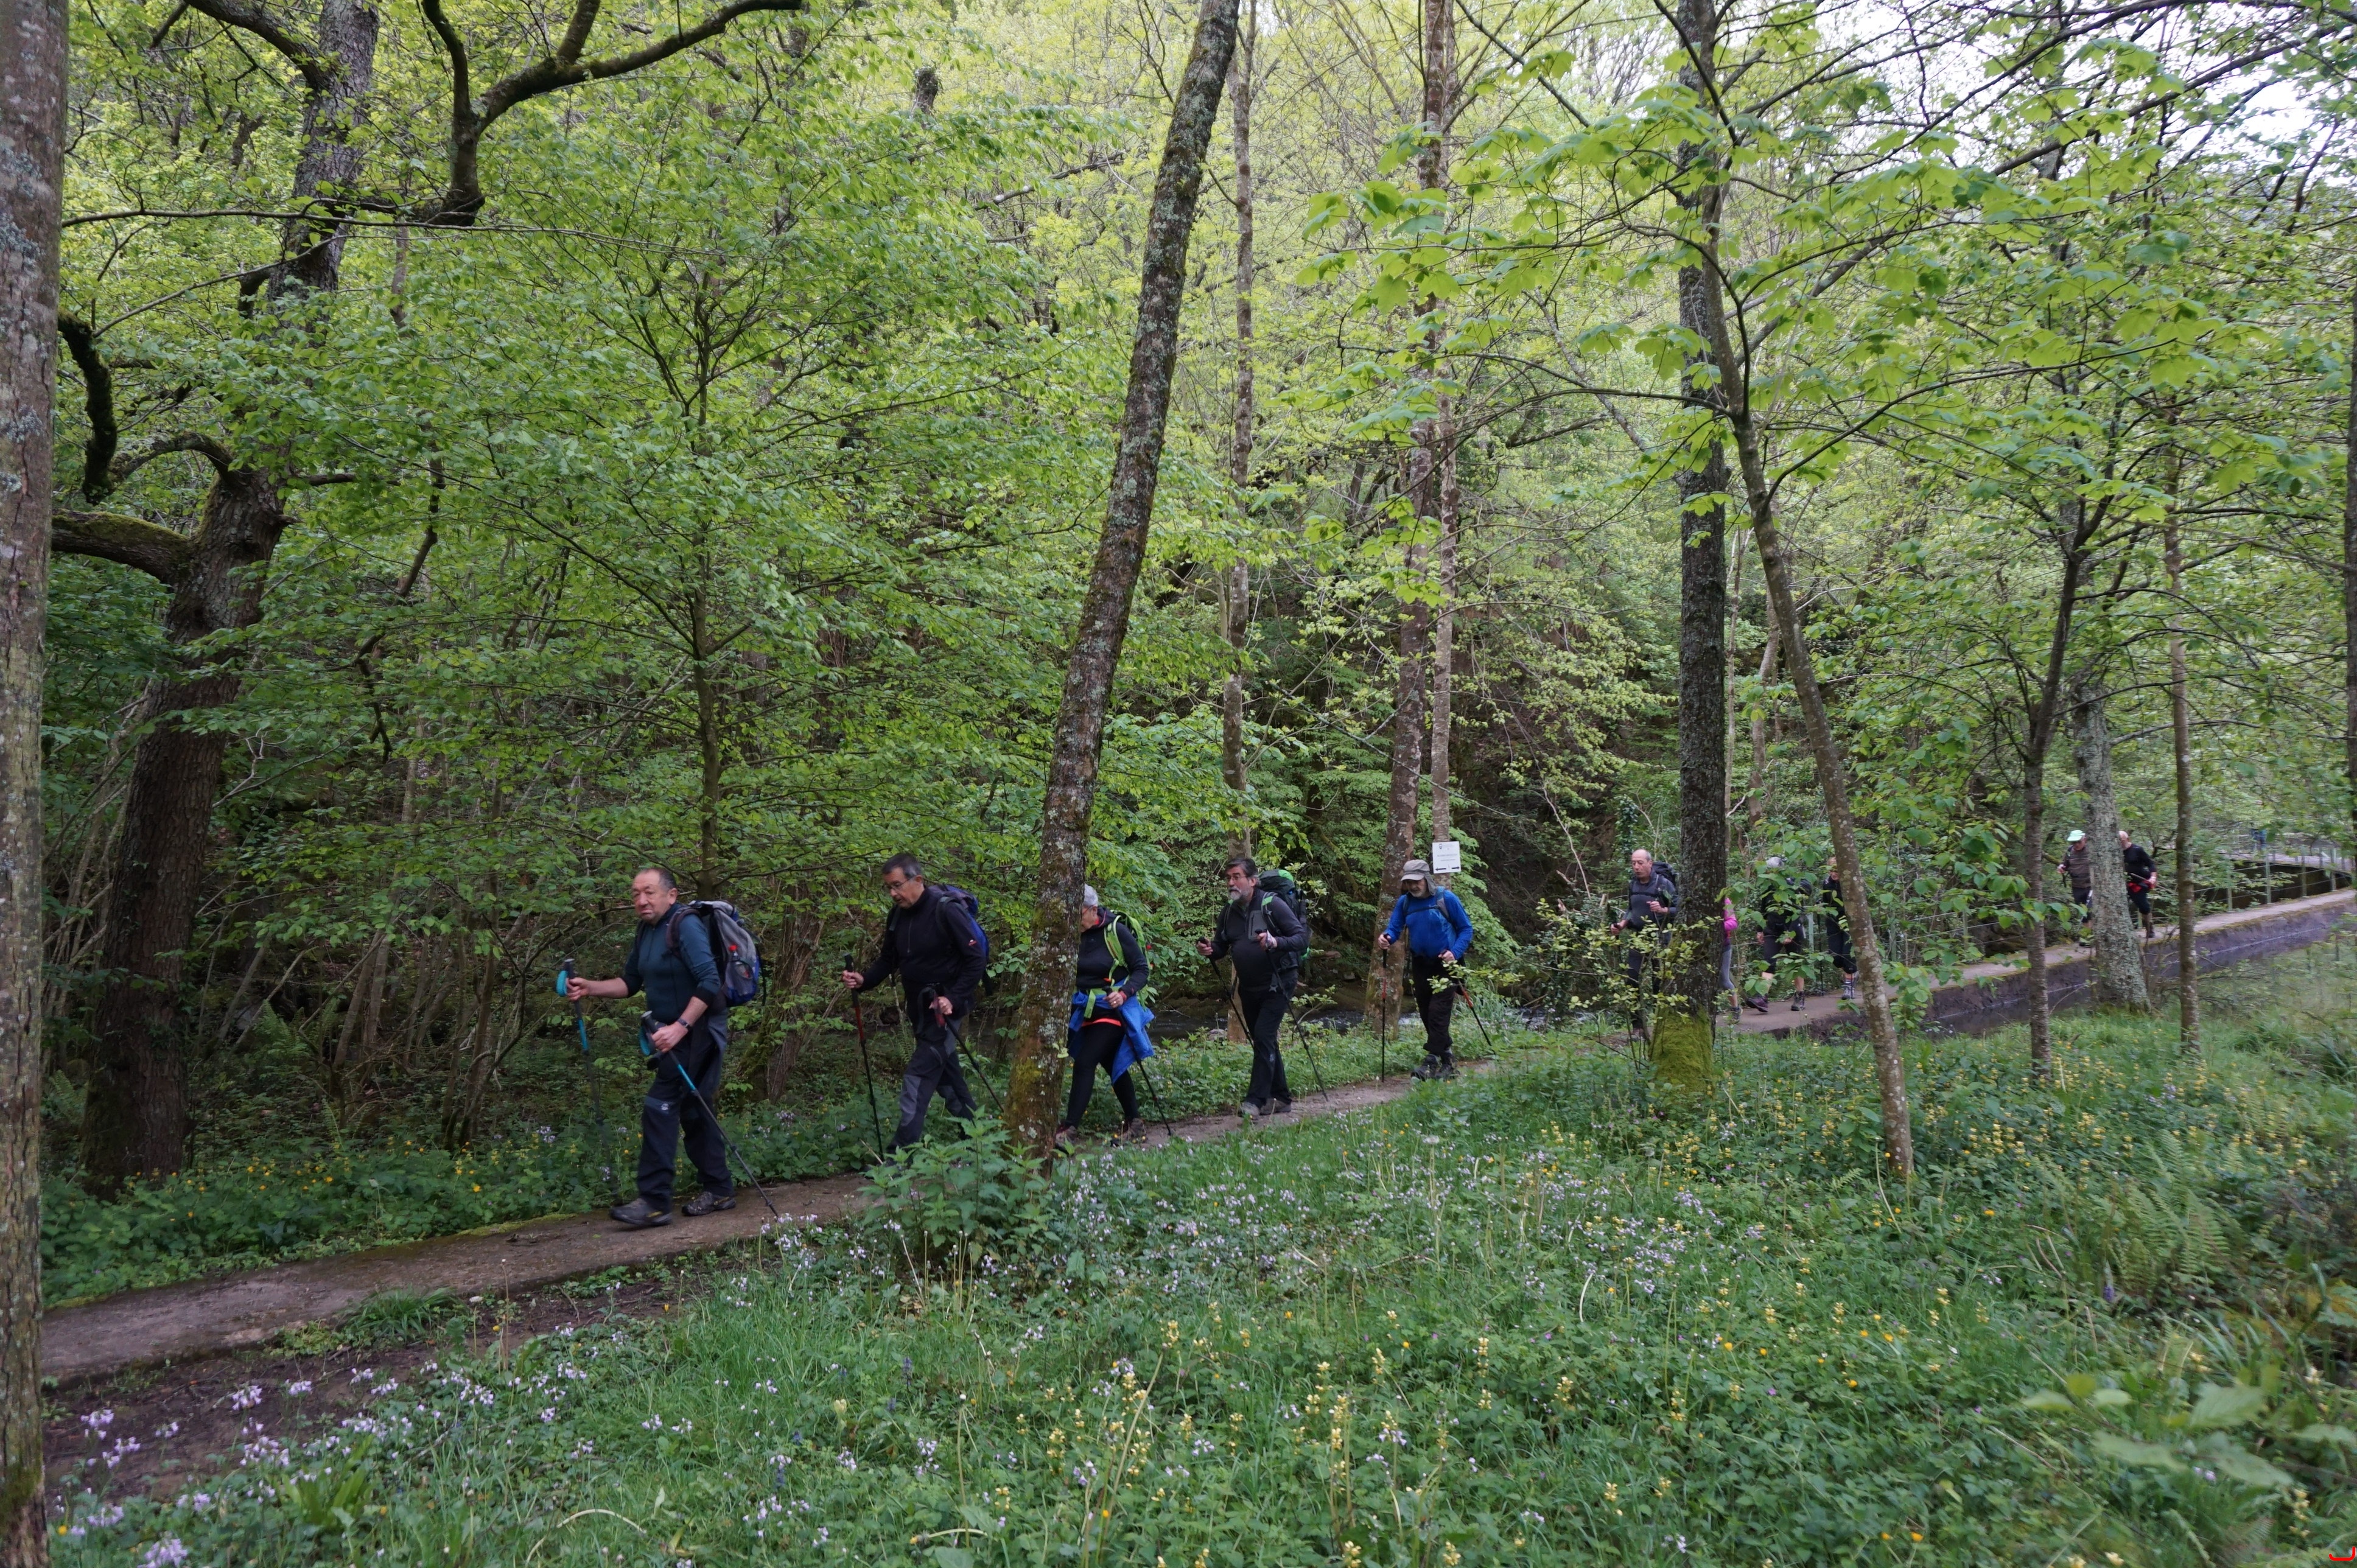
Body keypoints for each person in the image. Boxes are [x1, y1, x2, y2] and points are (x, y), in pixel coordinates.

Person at [567, 867, 734, 1229]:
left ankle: (655, 1203)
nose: (641, 900)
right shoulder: (647, 930)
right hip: (672, 1033)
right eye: (635, 894)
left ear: (671, 895)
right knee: (694, 1109)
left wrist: (680, 1027)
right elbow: (630, 982)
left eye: (649, 892)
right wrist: (589, 987)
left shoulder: (686, 925)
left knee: (660, 1106)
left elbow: (709, 981)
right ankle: (720, 1188)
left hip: (697, 1030)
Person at [839, 853, 988, 1149]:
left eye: (897, 886)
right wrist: (864, 980)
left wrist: (953, 998)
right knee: (947, 1078)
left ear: (917, 879)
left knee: (917, 1077)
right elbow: (888, 959)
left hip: (945, 1013)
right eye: (888, 888)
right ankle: (978, 1142)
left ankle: (901, 1155)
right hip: (919, 1010)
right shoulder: (897, 916)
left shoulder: (946, 911)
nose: (893, 894)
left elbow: (976, 959)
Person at [1197, 855, 1308, 1118]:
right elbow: (1222, 946)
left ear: (1253, 881)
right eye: (1228, 878)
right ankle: (1281, 1098)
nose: (1231, 883)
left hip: (1278, 982)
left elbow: (1301, 938)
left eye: (1237, 877)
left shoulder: (1273, 904)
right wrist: (1210, 950)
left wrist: (1275, 942)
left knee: (1264, 1036)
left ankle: (1255, 1101)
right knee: (1262, 1039)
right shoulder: (1229, 912)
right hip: (1248, 986)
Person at [1060, 886, 1149, 1146]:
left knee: (1086, 1062)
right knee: (1112, 1064)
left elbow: (1141, 969)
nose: (1073, 920)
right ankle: (1135, 1123)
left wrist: (1124, 993)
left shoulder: (1115, 932)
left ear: (1092, 910)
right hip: (1084, 1009)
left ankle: (1070, 1130)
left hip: (1113, 1009)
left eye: (1078, 914)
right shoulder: (1071, 933)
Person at [1376, 858, 1475, 1081]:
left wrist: (1455, 953)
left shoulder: (1445, 898)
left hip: (1446, 964)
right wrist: (1386, 938)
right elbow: (1394, 928)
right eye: (1408, 882)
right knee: (1425, 1012)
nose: (1412, 886)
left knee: (1438, 1012)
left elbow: (1466, 929)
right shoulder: (1405, 903)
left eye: (1416, 881)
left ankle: (1431, 1061)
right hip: (1421, 964)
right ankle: (1448, 1060)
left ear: (1427, 879)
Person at [1608, 849, 1679, 998]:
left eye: (1640, 863)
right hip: (1638, 938)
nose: (1636, 867)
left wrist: (1663, 910)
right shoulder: (1633, 884)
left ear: (1650, 863)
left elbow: (1679, 909)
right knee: (1631, 979)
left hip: (1660, 939)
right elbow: (1631, 909)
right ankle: (1635, 1013)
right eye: (1634, 863)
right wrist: (1622, 925)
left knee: (1659, 981)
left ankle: (1658, 1011)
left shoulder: (1663, 885)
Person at [1756, 856, 1807, 1012]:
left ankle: (1800, 995)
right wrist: (1760, 929)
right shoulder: (1768, 887)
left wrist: (1790, 933)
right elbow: (1763, 909)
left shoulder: (1791, 887)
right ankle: (1762, 998)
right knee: (1768, 961)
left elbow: (1798, 911)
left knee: (1796, 964)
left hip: (1792, 929)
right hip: (1772, 929)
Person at [1821, 869, 1860, 1003]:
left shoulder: (1851, 882)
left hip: (1850, 923)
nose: (1833, 874)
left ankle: (1849, 987)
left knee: (1848, 955)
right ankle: (1853, 973)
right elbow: (1825, 902)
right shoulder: (1827, 883)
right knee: (1835, 957)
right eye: (1831, 870)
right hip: (1833, 923)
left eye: (1837, 870)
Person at [2120, 828, 2158, 939]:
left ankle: (2149, 928)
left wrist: (2153, 877)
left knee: (2143, 906)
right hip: (2122, 884)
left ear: (2128, 839)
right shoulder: (2114, 852)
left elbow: (2150, 864)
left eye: (2122, 841)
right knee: (2122, 907)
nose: (2120, 843)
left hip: (2138, 883)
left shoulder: (2137, 850)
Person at [2058, 830, 2092, 927]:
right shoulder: (2070, 851)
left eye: (2079, 842)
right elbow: (2065, 864)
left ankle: (2095, 932)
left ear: (2085, 840)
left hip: (2092, 886)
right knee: (2083, 912)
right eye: (2074, 842)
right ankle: (2087, 932)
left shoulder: (2091, 850)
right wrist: (2061, 867)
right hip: (2077, 886)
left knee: (2092, 910)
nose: (2076, 845)